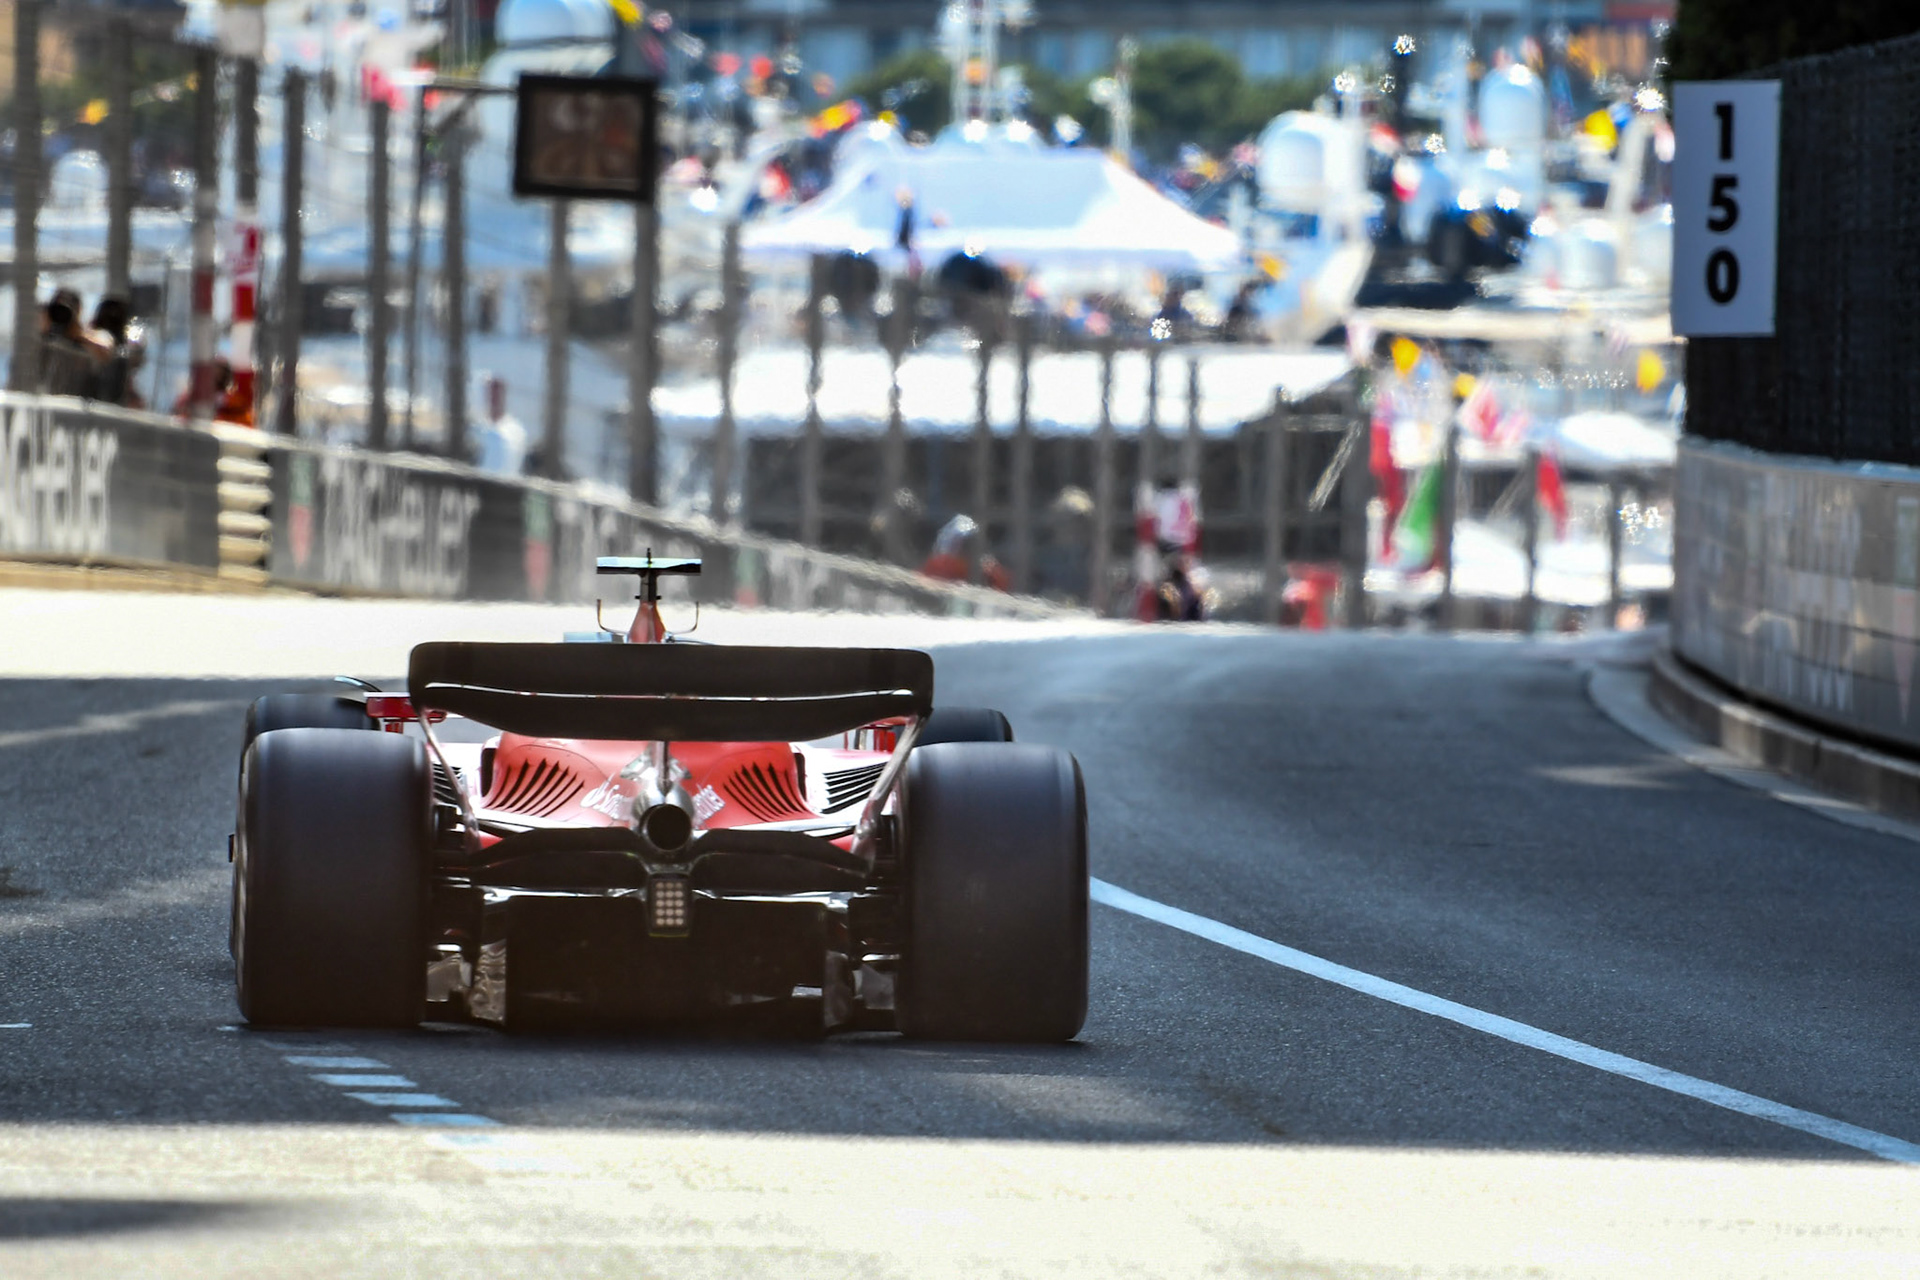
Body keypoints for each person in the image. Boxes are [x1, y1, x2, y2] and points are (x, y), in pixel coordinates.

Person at [35, 288, 103, 397]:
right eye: (57, 310)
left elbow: (105, 353)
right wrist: (42, 325)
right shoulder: (40, 339)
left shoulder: (83, 344)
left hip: (70, 399)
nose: (61, 315)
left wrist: (79, 335)